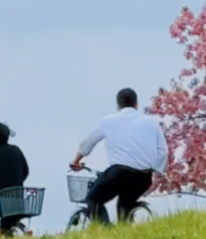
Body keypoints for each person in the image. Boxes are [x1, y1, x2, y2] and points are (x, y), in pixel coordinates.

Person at [70, 88, 168, 223]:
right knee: (124, 207)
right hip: (143, 176)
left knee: (93, 199)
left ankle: (104, 233)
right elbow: (163, 150)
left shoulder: (108, 121)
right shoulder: (151, 122)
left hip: (119, 173)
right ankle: (124, 233)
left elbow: (88, 142)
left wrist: (76, 160)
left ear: (118, 105)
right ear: (136, 104)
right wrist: (156, 169)